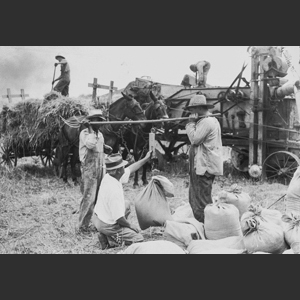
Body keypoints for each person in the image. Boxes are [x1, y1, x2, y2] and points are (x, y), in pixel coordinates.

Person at [92, 151, 153, 249]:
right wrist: (131, 226)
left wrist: (146, 158)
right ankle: (111, 240)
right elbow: (118, 218)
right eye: (122, 167)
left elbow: (131, 168)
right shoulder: (113, 191)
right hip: (106, 224)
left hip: (98, 218)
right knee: (138, 238)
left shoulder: (110, 176)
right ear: (118, 171)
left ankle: (111, 234)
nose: (124, 168)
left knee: (127, 204)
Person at [185, 95, 223, 223]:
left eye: (192, 109)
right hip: (204, 165)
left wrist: (190, 123)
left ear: (199, 108)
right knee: (198, 198)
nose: (191, 112)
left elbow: (195, 139)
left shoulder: (207, 121)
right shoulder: (207, 120)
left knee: (202, 201)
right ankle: (204, 224)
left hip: (205, 166)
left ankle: (206, 226)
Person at [78, 109, 112, 232]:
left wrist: (105, 148)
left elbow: (98, 146)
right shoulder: (85, 133)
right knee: (89, 198)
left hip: (100, 167)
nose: (99, 123)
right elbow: (90, 145)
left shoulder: (100, 135)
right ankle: (82, 226)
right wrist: (91, 129)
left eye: (100, 121)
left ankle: (96, 223)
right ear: (91, 122)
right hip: (89, 168)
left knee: (98, 197)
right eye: (96, 121)